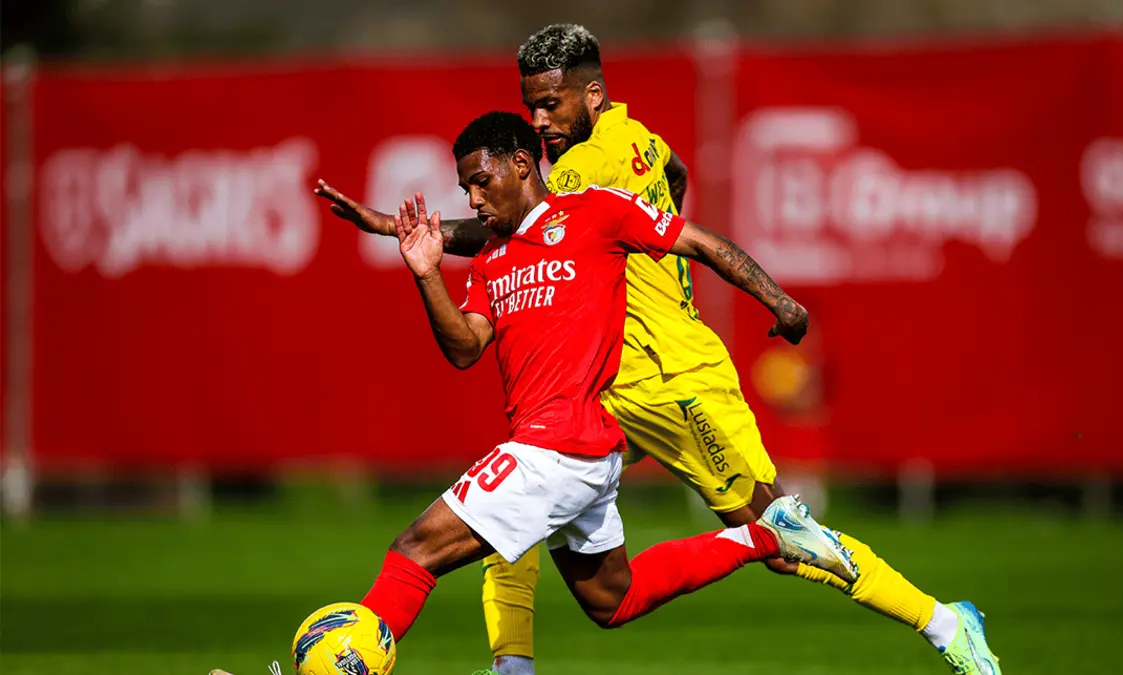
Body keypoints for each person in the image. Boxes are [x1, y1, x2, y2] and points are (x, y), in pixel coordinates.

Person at [316, 25, 1001, 675]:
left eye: (551, 105)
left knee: (781, 534)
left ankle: (945, 623)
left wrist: (398, 228)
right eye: (532, 107)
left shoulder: (582, 173)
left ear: (591, 95)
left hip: (670, 377)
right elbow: (674, 172)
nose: (541, 121)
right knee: (516, 515)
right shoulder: (636, 137)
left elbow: (522, 222)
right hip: (607, 385)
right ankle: (512, 664)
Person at [356, 111, 856, 660]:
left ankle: (353, 662)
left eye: (480, 181)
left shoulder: (595, 212)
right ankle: (768, 534)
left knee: (414, 549)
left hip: (556, 447)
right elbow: (466, 348)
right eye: (465, 189)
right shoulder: (491, 257)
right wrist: (427, 274)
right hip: (578, 455)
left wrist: (779, 300)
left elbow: (702, 242)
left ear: (521, 164)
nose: (473, 200)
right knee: (613, 600)